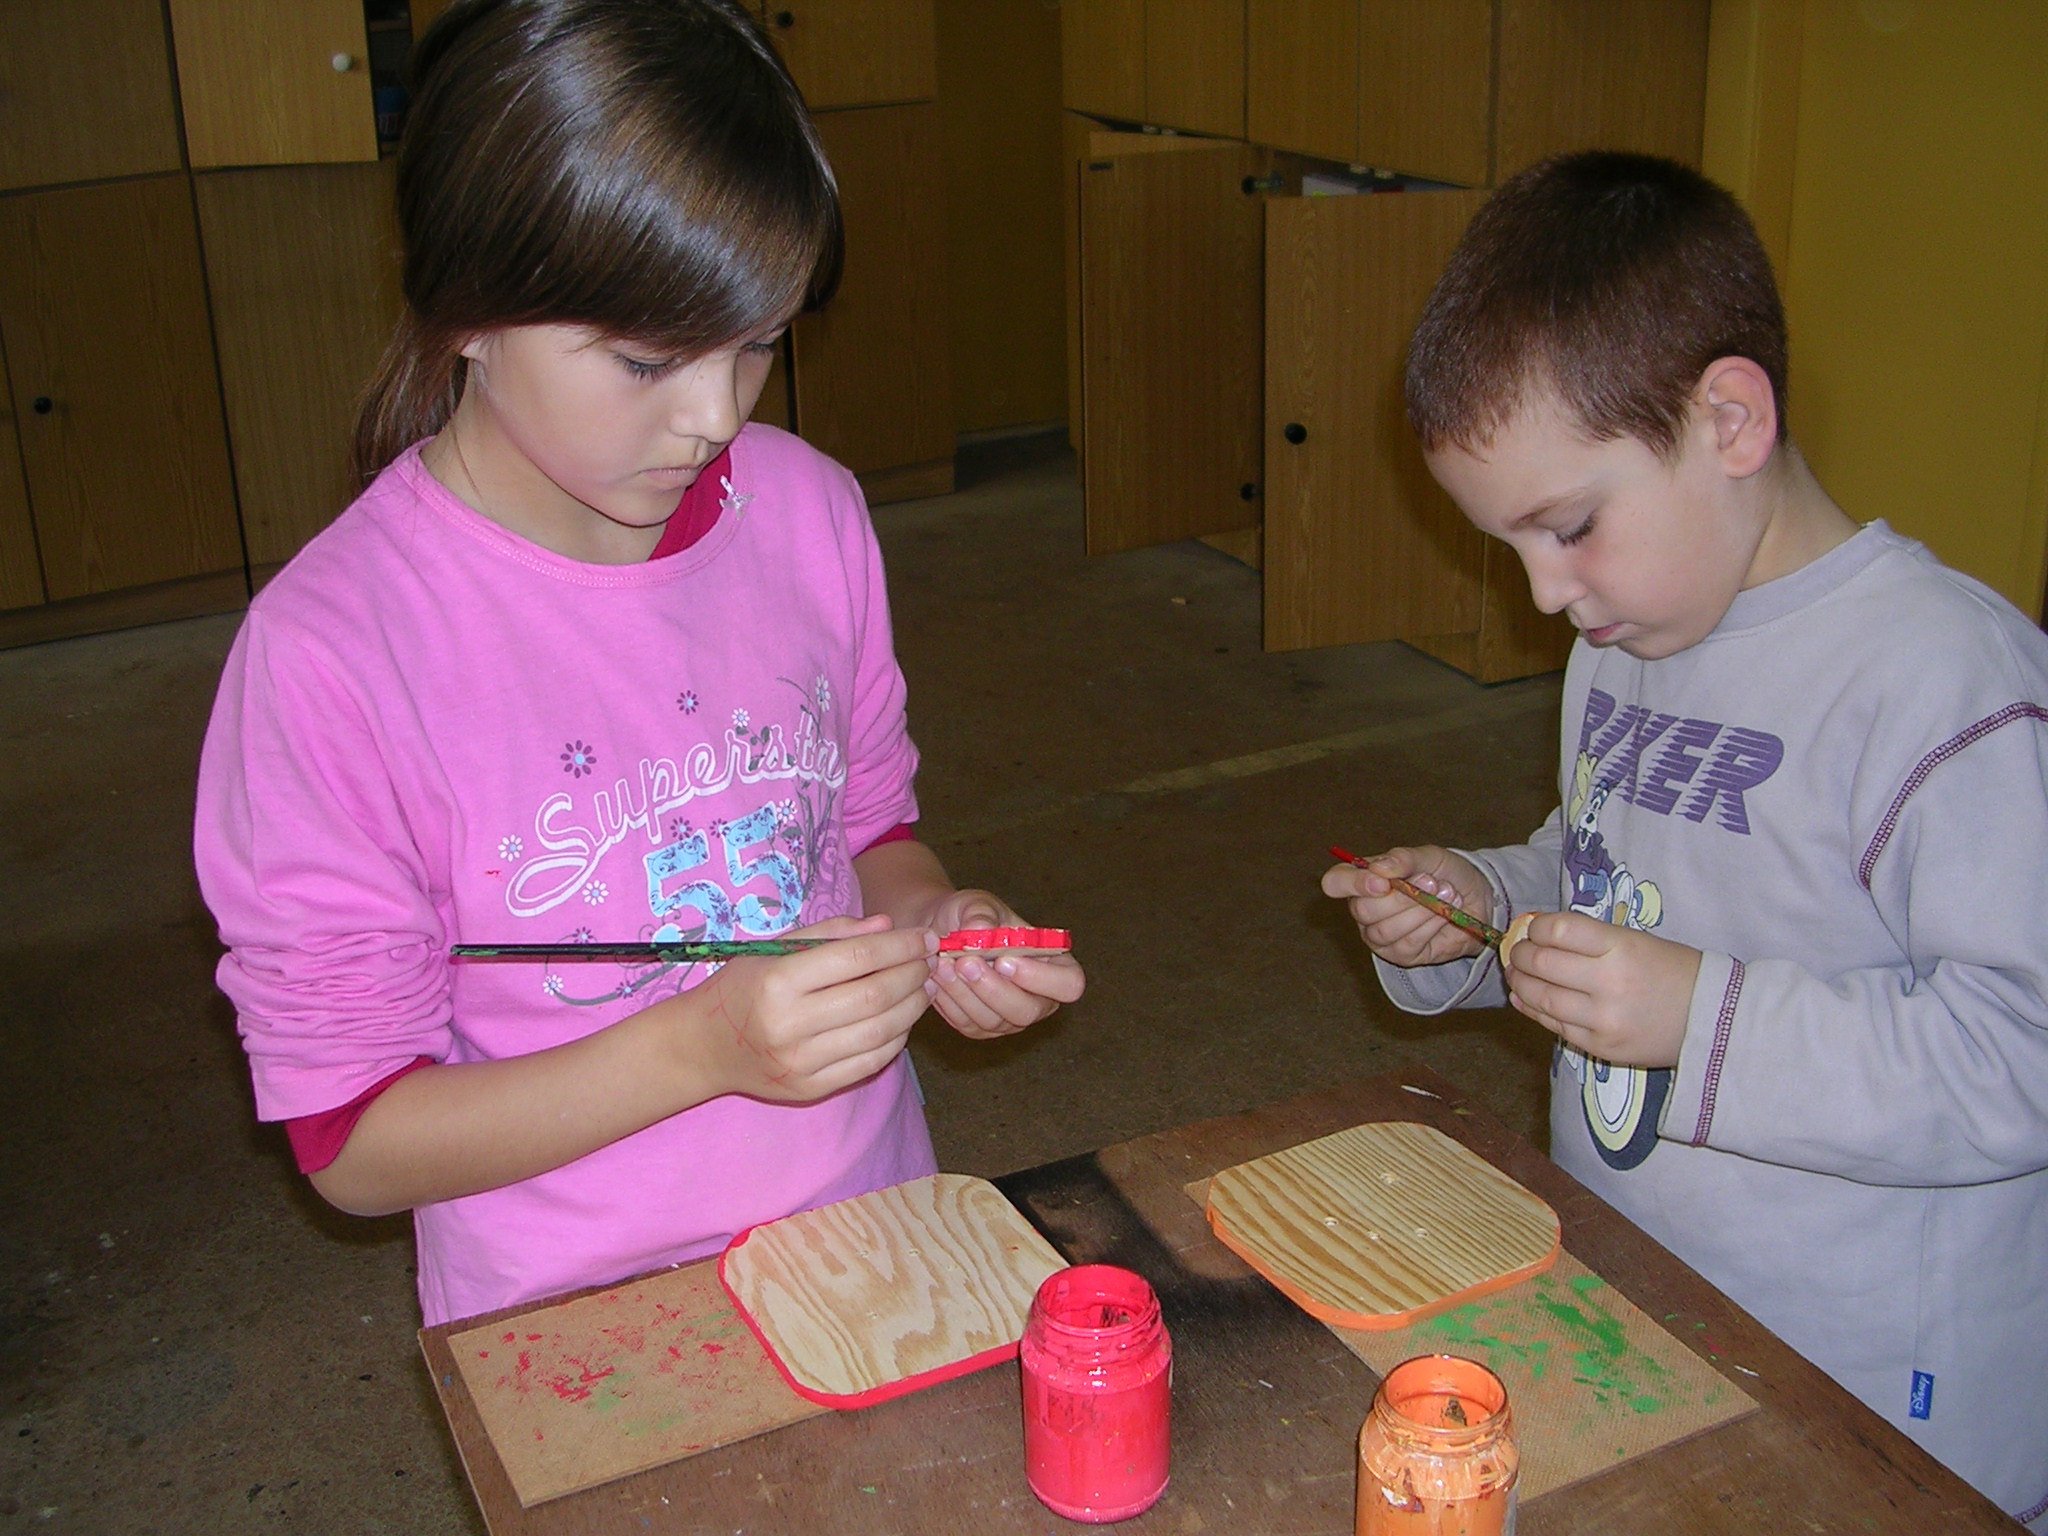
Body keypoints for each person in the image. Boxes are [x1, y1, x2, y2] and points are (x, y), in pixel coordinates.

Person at [192, 0, 1082, 1330]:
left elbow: (866, 830)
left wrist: (936, 925)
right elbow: (354, 1145)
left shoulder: (809, 512)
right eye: (647, 360)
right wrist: (702, 1047)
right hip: (579, 1320)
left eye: (759, 341)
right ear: (468, 313)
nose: (715, 414)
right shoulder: (334, 654)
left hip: (873, 1232)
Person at [1321, 151, 2048, 1526]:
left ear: (1729, 420)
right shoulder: (1632, 634)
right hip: (1654, 1297)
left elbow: (2024, 1051)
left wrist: (1700, 1026)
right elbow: (1612, 870)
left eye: (1569, 529)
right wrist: (1479, 905)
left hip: (1880, 1400)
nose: (1545, 595)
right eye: (1512, 548)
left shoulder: (1945, 684)